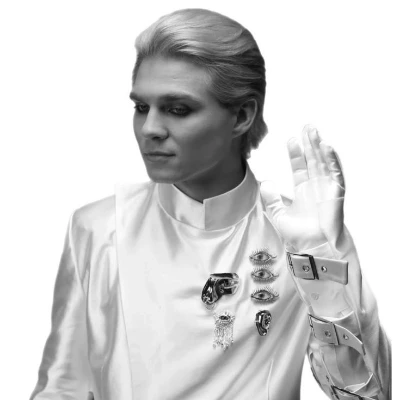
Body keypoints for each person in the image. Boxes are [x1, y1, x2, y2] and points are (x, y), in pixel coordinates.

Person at [29, 8, 391, 400]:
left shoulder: (300, 235)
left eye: (177, 109)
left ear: (241, 116)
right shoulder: (99, 227)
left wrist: (320, 264)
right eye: (141, 107)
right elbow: (63, 386)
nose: (150, 129)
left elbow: (369, 395)